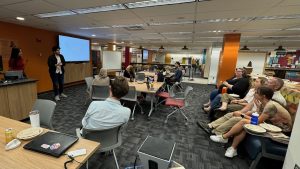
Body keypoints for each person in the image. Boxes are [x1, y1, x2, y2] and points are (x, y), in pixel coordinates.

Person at [209, 86, 292, 158]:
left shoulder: (270, 105)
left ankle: (224, 137)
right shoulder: (264, 103)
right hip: (270, 125)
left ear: (263, 96)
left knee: (243, 121)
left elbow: (257, 121)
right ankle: (233, 148)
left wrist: (242, 115)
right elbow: (258, 117)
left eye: (257, 93)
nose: (255, 93)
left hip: (281, 131)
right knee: (242, 121)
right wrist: (244, 114)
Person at [198, 77, 286, 135]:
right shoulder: (265, 95)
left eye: (269, 82)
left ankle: (217, 132)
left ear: (276, 86)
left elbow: (261, 119)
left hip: (275, 127)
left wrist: (243, 114)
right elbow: (257, 110)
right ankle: (211, 126)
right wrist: (243, 112)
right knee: (232, 112)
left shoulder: (275, 100)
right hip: (262, 118)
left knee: (238, 117)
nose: (267, 83)